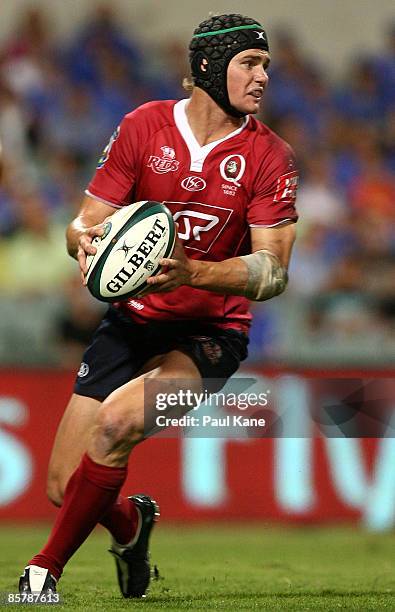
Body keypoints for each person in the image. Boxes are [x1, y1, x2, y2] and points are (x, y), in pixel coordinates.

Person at [19, 13, 298, 598]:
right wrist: (85, 242)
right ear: (208, 68)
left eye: (266, 65)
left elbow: (272, 272)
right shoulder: (144, 126)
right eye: (250, 63)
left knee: (117, 422)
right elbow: (82, 225)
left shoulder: (271, 156)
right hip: (132, 321)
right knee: (62, 483)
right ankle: (132, 526)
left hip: (210, 336)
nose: (262, 76)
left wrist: (193, 270)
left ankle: (42, 571)